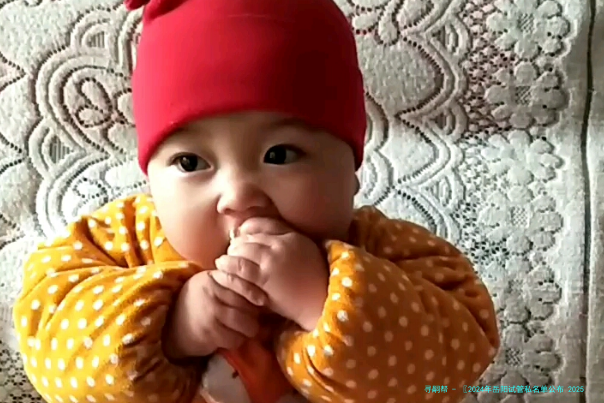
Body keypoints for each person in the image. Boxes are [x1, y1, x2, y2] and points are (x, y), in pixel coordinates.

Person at [13, 0, 501, 402]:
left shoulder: (390, 252)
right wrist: (170, 326)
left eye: (280, 154)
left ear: (350, 170)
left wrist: (326, 300)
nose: (239, 195)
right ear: (152, 180)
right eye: (190, 162)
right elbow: (48, 339)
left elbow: (458, 358)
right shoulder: (123, 242)